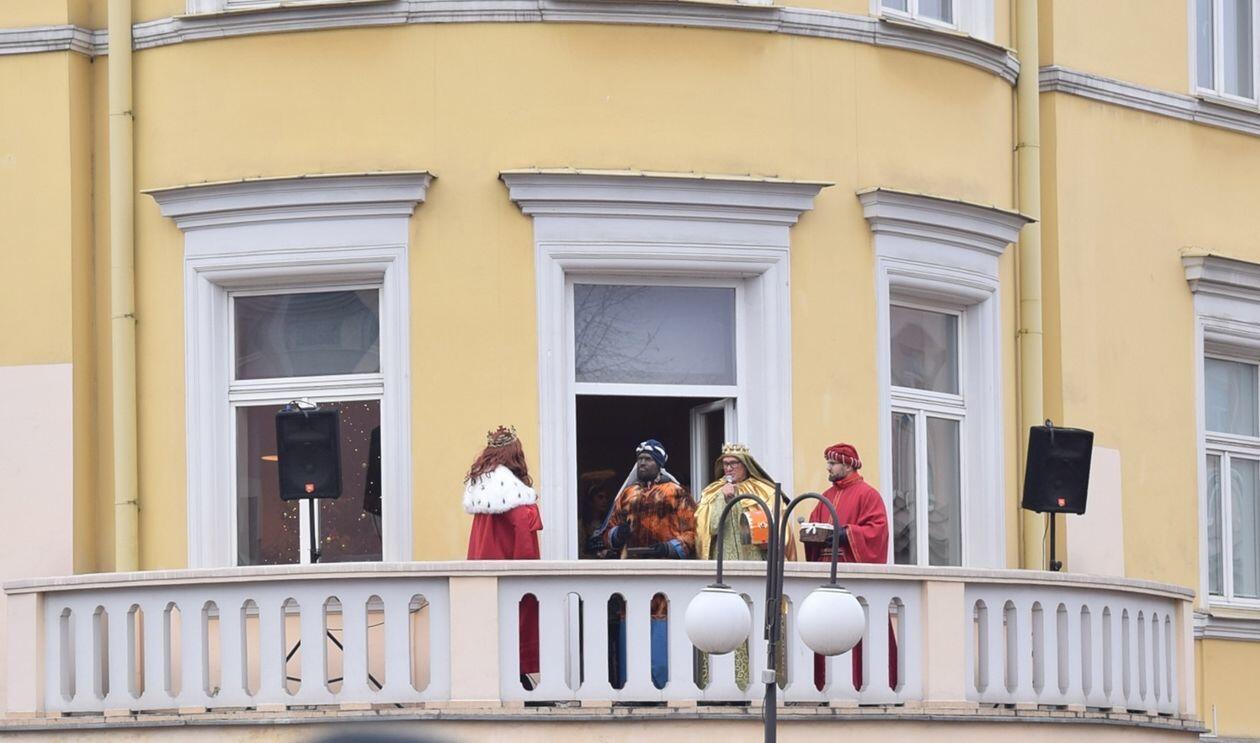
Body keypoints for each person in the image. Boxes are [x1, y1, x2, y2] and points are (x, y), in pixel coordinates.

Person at [587, 439, 695, 689]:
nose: (642, 463)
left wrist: (669, 548)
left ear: (659, 463)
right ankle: (632, 686)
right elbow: (607, 533)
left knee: (661, 633)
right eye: (639, 459)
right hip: (632, 575)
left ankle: (661, 686)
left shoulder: (676, 493)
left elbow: (692, 533)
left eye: (647, 459)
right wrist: (618, 535)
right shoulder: (627, 495)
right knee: (631, 631)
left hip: (665, 577)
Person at [694, 442, 796, 687]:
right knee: (724, 622)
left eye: (734, 463)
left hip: (755, 566)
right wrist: (725, 499)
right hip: (723, 565)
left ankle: (762, 681)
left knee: (755, 620)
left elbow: (779, 531)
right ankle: (725, 684)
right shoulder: (712, 492)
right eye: (725, 464)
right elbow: (709, 528)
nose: (728, 468)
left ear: (746, 465)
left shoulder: (765, 491)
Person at [802, 442, 895, 692]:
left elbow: (878, 531)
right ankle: (822, 684)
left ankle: (862, 683)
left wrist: (847, 534)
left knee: (855, 627)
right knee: (822, 627)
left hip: (851, 572)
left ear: (847, 465)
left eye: (832, 463)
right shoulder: (825, 497)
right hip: (825, 574)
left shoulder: (868, 495)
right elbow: (815, 526)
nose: (828, 468)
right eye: (828, 463)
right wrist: (811, 534)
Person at [463, 425, 543, 690]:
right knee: (515, 630)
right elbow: (523, 540)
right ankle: (519, 681)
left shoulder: (484, 489)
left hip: (484, 574)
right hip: (510, 578)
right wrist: (529, 576)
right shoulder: (511, 491)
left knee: (491, 630)